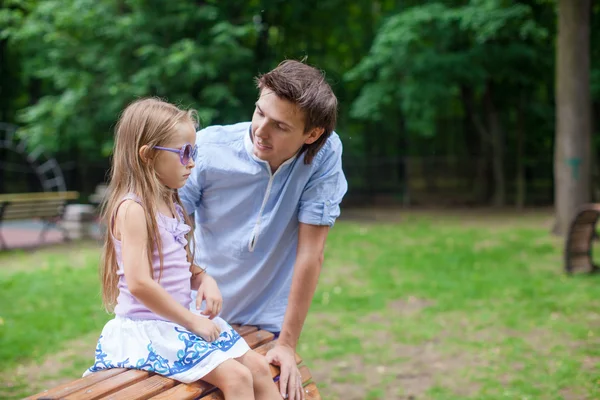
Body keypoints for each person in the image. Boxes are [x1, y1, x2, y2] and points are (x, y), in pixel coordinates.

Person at [84, 98, 282, 400]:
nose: (192, 162)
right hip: (151, 329)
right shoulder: (133, 209)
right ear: (148, 156)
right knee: (238, 377)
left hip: (180, 320)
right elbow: (139, 283)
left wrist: (203, 279)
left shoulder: (171, 202)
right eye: (184, 153)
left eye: (195, 152)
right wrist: (192, 321)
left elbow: (184, 263)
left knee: (257, 367)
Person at [179, 60, 348, 400]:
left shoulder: (324, 154)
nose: (260, 130)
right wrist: (194, 285)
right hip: (199, 315)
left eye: (280, 126)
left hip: (265, 325)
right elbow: (167, 232)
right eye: (259, 113)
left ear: (311, 135)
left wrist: (287, 343)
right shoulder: (208, 148)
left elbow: (311, 253)